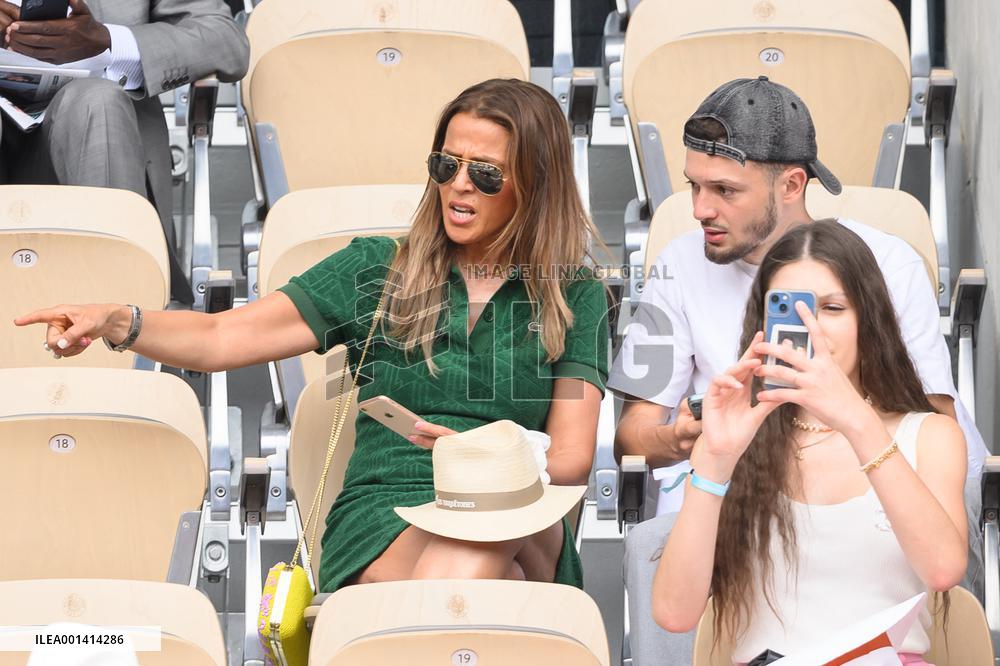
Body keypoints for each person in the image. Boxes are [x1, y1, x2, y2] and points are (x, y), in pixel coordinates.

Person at [14, 78, 610, 591]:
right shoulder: (377, 269)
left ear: (535, 183)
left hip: (516, 507)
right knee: (490, 576)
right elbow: (221, 339)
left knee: (486, 533)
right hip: (389, 509)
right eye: (444, 165)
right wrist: (122, 321)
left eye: (484, 174)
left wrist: (474, 455)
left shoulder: (574, 292)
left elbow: (572, 459)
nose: (457, 185)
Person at [607, 76, 986, 665]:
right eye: (694, 187)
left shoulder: (885, 261)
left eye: (725, 191)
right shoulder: (676, 264)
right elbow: (633, 432)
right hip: (741, 462)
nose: (701, 208)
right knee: (653, 544)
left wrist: (846, 410)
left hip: (869, 470)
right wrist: (690, 440)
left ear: (791, 183)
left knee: (951, 484)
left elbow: (931, 410)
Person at [652, 220, 968, 665]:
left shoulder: (930, 435)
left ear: (868, 318)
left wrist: (857, 420)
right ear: (764, 325)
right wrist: (716, 461)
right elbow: (673, 613)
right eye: (789, 308)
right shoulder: (737, 440)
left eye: (832, 308)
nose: (810, 329)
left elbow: (943, 570)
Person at [0, 0, 251, 303]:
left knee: (97, 100)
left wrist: (106, 42)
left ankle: (120, 320)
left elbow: (225, 38)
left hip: (96, 142)